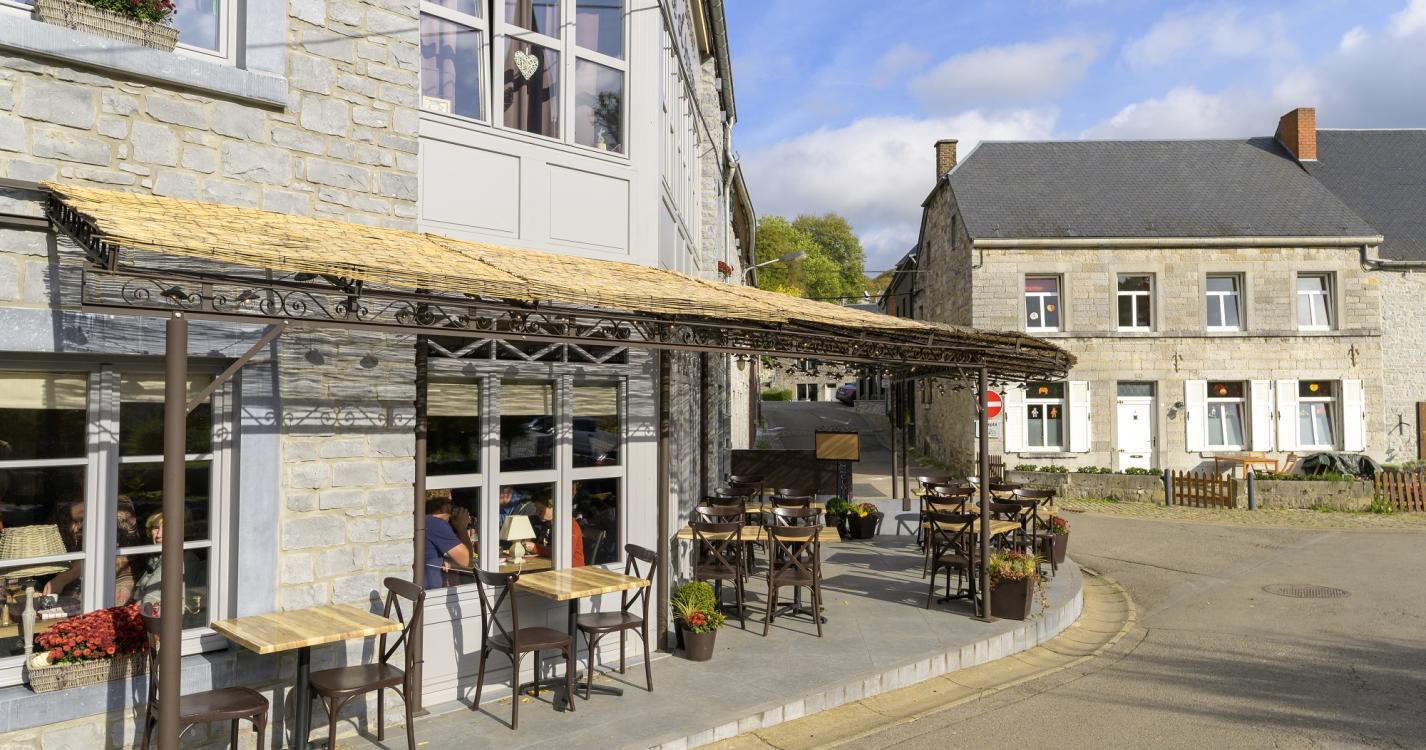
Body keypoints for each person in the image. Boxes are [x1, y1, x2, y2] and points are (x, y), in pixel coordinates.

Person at [423, 490, 473, 589]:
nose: (454, 507)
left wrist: (444, 560)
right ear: (443, 506)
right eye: (451, 503)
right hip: (431, 592)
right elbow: (468, 562)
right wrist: (461, 528)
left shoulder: (424, 520)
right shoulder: (437, 524)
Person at [526, 498, 583, 567]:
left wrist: (536, 548)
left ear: (554, 508)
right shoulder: (547, 521)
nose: (537, 513)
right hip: (549, 564)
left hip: (571, 569)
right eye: (536, 509)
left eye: (540, 510)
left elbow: (564, 555)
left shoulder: (569, 525)